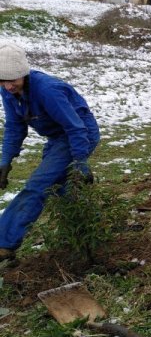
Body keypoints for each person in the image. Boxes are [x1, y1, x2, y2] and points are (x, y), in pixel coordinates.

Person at [0, 42, 99, 261]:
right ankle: (85, 232)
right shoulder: (8, 91)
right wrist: (5, 161)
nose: (8, 86)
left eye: (13, 80)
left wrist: (80, 163)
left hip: (79, 133)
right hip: (58, 137)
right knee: (58, 186)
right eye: (2, 80)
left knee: (38, 185)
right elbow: (15, 127)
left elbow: (75, 127)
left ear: (24, 74)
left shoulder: (47, 90)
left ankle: (4, 243)